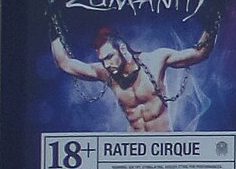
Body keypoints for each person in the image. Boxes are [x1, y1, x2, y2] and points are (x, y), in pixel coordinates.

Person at [49, 26, 215, 133]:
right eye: (102, 60)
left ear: (122, 49)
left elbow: (199, 53)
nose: (106, 64)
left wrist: (213, 20)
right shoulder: (106, 73)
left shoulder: (155, 61)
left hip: (165, 145)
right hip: (133, 149)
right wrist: (53, 26)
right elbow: (65, 64)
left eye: (109, 57)